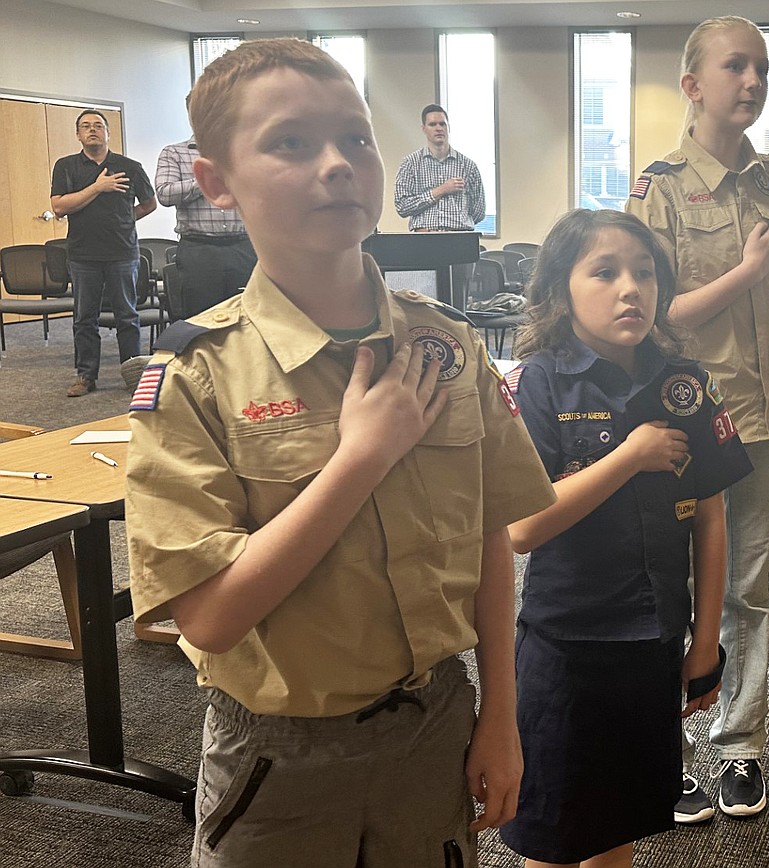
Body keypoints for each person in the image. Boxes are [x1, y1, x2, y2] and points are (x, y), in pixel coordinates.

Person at [124, 38, 556, 868]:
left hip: (432, 725)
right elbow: (210, 616)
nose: (338, 165)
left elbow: (491, 540)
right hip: (279, 756)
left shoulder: (447, 346)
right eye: (290, 142)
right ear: (216, 181)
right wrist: (362, 456)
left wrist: (500, 714)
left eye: (356, 138)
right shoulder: (193, 373)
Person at [498, 208, 752, 868]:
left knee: (618, 823)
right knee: (553, 834)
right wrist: (630, 456)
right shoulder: (539, 385)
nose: (630, 289)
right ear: (562, 289)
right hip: (566, 649)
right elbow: (523, 528)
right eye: (604, 273)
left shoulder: (686, 386)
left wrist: (703, 643)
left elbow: (712, 518)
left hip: (652, 640)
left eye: (644, 273)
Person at [625, 15, 769, 821]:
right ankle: (666, 744)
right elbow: (658, 319)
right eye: (736, 67)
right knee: (678, 586)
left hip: (768, 411)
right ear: (693, 85)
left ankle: (740, 746)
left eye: (761, 67)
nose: (753, 82)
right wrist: (749, 269)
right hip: (692, 419)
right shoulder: (658, 185)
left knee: (752, 587)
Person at [50, 109, 156, 397]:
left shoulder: (130, 166)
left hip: (122, 252)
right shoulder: (66, 167)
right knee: (84, 317)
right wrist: (97, 187)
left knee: (127, 316)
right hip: (83, 254)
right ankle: (85, 376)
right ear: (78, 135)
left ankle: (133, 374)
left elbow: (149, 204)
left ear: (109, 132)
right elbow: (59, 206)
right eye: (86, 126)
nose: (92, 130)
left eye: (98, 125)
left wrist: (123, 220)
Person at [155, 105, 257, 319]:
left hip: (243, 247)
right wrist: (205, 179)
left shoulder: (243, 151)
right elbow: (164, 194)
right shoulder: (174, 152)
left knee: (247, 319)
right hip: (199, 250)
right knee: (200, 321)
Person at [394, 104, 486, 232]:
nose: (438, 128)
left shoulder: (468, 166)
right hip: (424, 237)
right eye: (432, 124)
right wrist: (441, 190)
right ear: (424, 129)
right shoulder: (410, 164)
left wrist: (456, 225)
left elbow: (478, 211)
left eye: (442, 124)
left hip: (459, 239)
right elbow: (402, 207)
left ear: (449, 127)